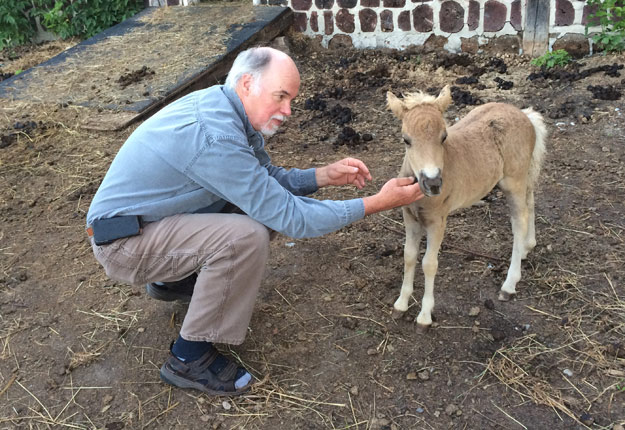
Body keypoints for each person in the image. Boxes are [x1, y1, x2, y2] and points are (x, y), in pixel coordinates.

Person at [86, 46, 424, 396]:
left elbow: (262, 179)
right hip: (123, 243)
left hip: (149, 224)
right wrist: (376, 203)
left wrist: (322, 176)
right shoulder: (216, 136)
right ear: (247, 83)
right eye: (281, 96)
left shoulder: (225, 108)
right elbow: (292, 217)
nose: (288, 110)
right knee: (245, 235)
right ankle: (189, 357)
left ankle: (173, 282)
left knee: (253, 212)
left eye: (291, 99)